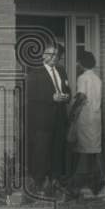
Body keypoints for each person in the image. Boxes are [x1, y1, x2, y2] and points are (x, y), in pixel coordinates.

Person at [23, 41, 71, 198]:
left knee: (57, 151)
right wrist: (51, 98)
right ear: (44, 55)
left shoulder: (62, 71)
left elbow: (67, 88)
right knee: (42, 152)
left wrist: (67, 96)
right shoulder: (35, 72)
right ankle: (39, 184)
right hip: (42, 121)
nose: (53, 58)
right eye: (50, 54)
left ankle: (55, 182)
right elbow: (30, 96)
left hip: (59, 118)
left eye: (56, 55)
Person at [68, 50, 105, 198]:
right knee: (94, 150)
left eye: (78, 62)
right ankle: (97, 181)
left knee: (82, 150)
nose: (77, 64)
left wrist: (72, 112)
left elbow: (82, 96)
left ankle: (78, 183)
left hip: (85, 117)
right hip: (96, 117)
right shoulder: (97, 79)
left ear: (82, 63)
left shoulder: (83, 78)